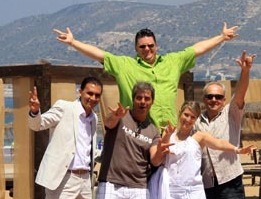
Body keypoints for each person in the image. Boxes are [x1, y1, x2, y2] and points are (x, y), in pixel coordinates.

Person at [53, 23, 239, 128]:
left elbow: (197, 49)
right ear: (136, 49)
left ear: (156, 46)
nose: (147, 49)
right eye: (142, 46)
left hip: (169, 131)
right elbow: (99, 54)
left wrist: (221, 37)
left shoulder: (172, 61)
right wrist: (73, 42)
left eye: (150, 45)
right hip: (139, 132)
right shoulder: (125, 65)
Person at [195, 50, 256, 199]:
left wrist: (245, 71)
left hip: (231, 181)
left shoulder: (232, 113)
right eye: (209, 96)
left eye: (218, 97)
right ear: (204, 99)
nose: (214, 100)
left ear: (223, 99)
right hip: (206, 184)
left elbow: (241, 92)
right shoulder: (197, 122)